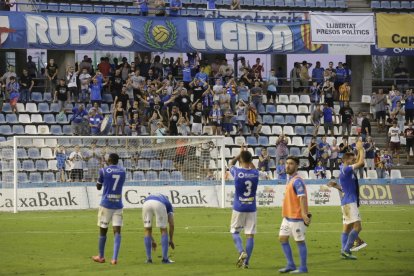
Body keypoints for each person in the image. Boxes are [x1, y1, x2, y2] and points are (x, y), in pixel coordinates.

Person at [327, 141, 366, 259]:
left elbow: (344, 188)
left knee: (347, 228)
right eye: (352, 159)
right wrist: (361, 149)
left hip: (346, 201)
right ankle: (346, 249)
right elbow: (361, 162)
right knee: (358, 227)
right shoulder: (346, 169)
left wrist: (336, 186)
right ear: (346, 160)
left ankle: (344, 252)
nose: (354, 160)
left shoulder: (346, 171)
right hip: (349, 202)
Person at [92, 153, 126, 265]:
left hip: (106, 204)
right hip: (118, 204)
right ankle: (114, 258)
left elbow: (98, 187)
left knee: (103, 230)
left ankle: (101, 256)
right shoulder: (123, 171)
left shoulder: (103, 170)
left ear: (110, 160)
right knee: (117, 231)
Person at [278, 156, 310, 274]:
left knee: (299, 241)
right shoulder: (290, 179)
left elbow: (302, 197)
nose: (288, 165)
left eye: (291, 163)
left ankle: (303, 267)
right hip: (287, 217)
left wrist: (304, 214)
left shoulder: (297, 180)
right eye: (287, 163)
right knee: (282, 238)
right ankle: (291, 264)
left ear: (297, 166)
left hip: (296, 217)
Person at [229, 144, 259, 269]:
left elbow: (230, 164)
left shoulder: (237, 172)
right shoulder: (256, 173)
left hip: (239, 207)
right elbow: (252, 167)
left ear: (241, 160)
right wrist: (246, 156)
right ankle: (246, 263)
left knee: (235, 232)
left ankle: (242, 252)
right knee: (250, 235)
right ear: (251, 161)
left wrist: (239, 154)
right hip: (251, 208)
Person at [142, 194, 175, 264]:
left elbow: (146, 229)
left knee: (147, 229)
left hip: (146, 203)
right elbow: (171, 224)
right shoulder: (169, 205)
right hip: (158, 204)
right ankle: (165, 259)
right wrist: (171, 240)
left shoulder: (159, 198)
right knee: (163, 229)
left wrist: (152, 241)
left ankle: (149, 259)